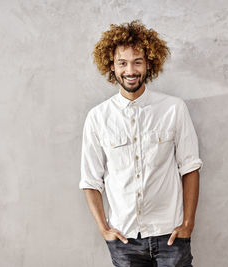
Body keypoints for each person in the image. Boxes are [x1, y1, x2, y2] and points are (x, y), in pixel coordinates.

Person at [79, 20, 203, 267]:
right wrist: (105, 229)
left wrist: (188, 224)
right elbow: (90, 181)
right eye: (122, 62)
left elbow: (190, 168)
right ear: (111, 66)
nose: (130, 70)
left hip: (171, 236)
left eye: (137, 61)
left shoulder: (173, 109)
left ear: (149, 64)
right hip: (125, 240)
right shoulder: (97, 118)